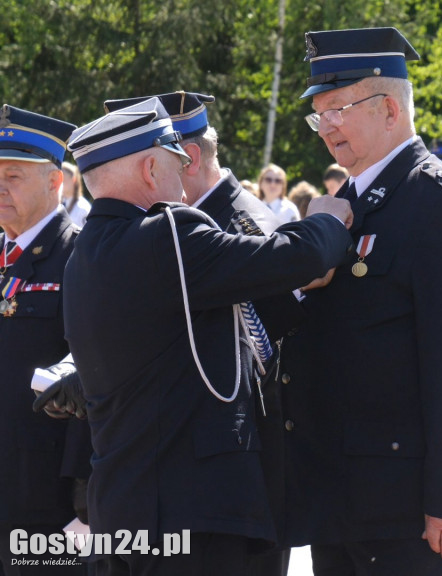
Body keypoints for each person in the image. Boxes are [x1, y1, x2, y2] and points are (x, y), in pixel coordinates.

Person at [61, 97, 354, 575]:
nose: (183, 176)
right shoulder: (168, 235)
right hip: (188, 511)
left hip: (122, 508)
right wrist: (324, 221)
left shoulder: (82, 256)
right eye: (176, 161)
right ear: (151, 167)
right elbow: (289, 260)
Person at [280, 27, 442, 575]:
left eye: (338, 107)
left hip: (414, 509)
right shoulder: (343, 204)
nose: (326, 126)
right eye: (319, 114)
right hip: (344, 497)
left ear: (388, 109)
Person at [103, 89, 309, 576]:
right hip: (183, 474)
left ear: (188, 157)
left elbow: (276, 352)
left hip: (238, 481)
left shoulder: (238, 224)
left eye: (144, 159)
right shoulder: (171, 226)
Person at [0, 104, 91, 574]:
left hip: (45, 500)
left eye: (13, 175)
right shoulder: (3, 255)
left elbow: (98, 372)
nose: (0, 187)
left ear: (55, 181)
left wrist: (85, 501)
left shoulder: (81, 255)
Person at [60, 161, 90, 227]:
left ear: (73, 179)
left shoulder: (82, 208)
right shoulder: (59, 204)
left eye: (63, 179)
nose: (59, 183)